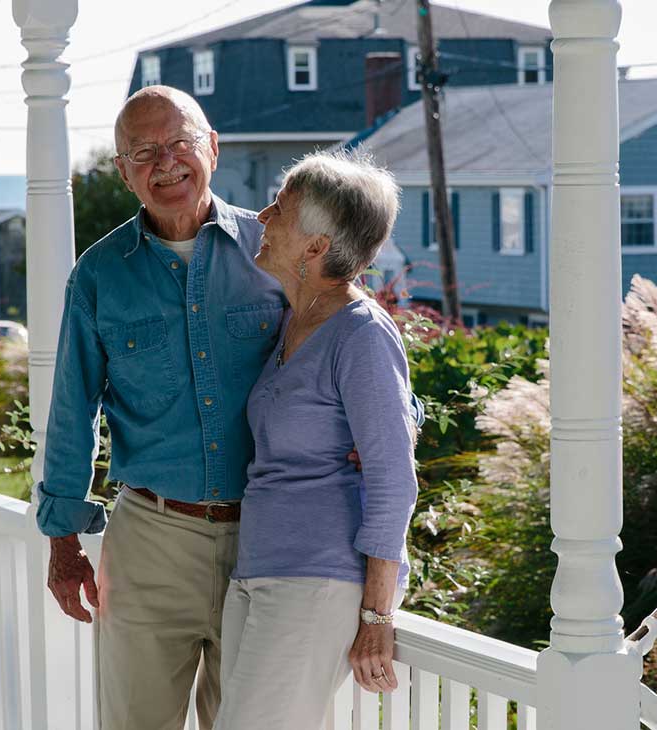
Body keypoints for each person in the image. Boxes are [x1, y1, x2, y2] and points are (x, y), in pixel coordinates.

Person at [35, 86, 283, 730]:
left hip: (274, 537)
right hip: (151, 543)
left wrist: (379, 435)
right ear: (122, 172)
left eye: (180, 143)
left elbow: (357, 352)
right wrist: (63, 541)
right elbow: (71, 411)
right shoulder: (98, 275)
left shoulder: (282, 249)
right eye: (143, 152)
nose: (165, 162)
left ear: (213, 149)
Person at [214, 149, 419, 730]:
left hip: (316, 580)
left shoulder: (361, 333)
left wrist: (377, 615)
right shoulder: (293, 321)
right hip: (258, 571)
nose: (261, 216)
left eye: (280, 209)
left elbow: (392, 477)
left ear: (315, 246)